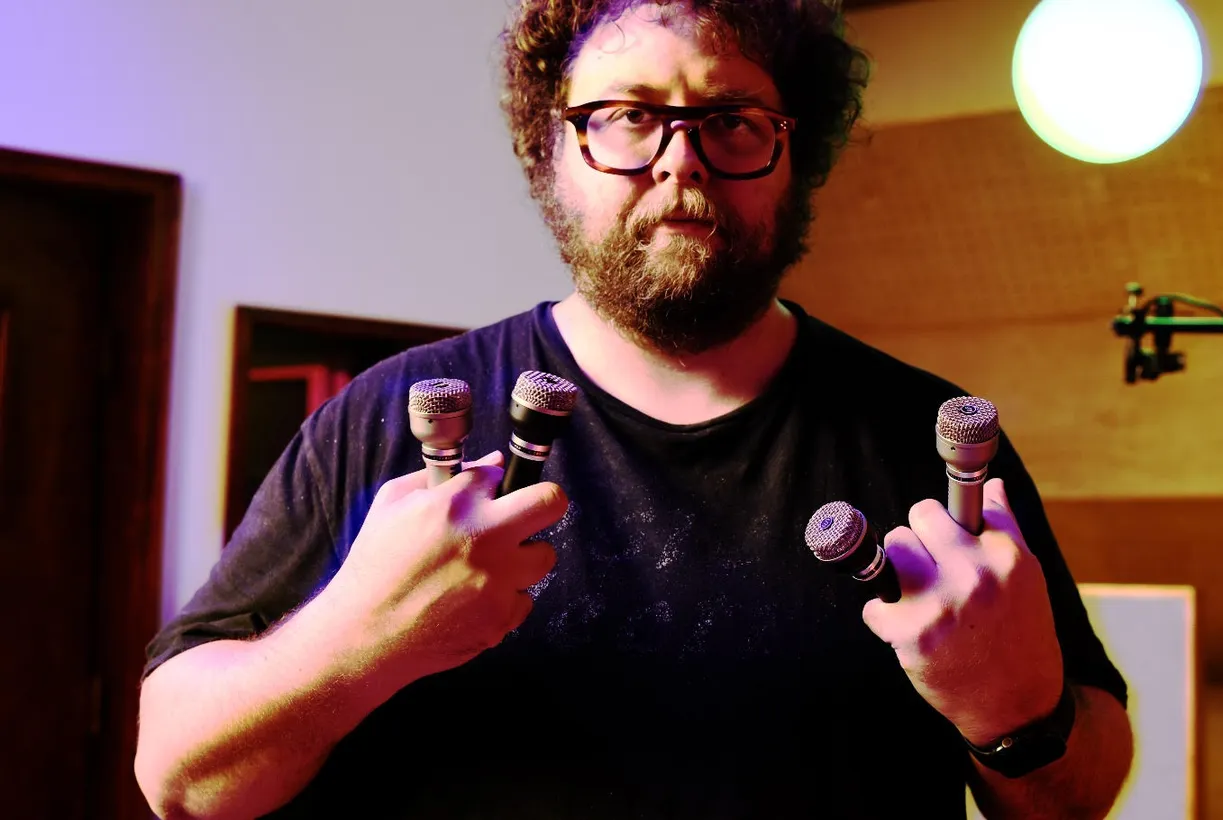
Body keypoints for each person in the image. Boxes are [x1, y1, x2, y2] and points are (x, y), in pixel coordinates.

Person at [134, 1, 1134, 817]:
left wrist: (1016, 711)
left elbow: (1076, 792)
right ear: (549, 153)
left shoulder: (934, 442)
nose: (680, 160)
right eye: (626, 115)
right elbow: (180, 779)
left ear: (795, 159)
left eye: (733, 118)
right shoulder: (387, 420)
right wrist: (351, 640)